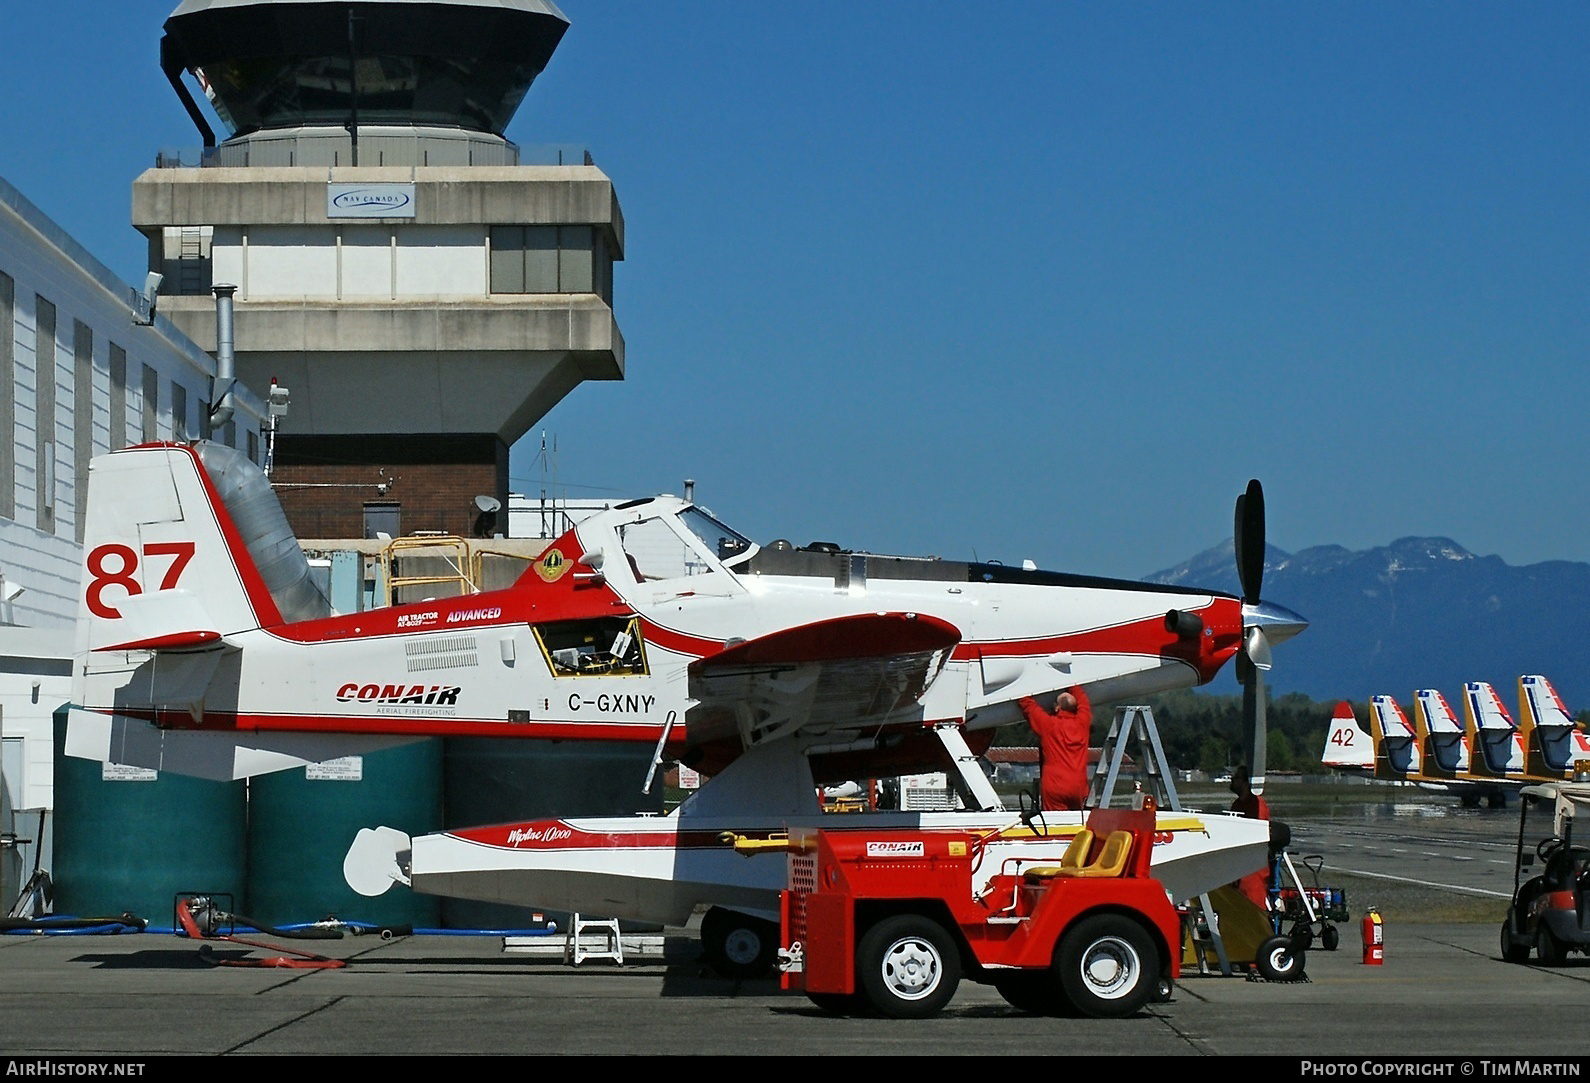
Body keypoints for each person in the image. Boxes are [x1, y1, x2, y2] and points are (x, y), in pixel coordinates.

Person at [1017, 685, 1092, 811]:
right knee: (1077, 824)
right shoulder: (1083, 721)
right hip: (1079, 786)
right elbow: (1082, 698)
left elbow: (1026, 703)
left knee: (1054, 824)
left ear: (1057, 708)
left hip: (1055, 786)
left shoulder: (1048, 724)